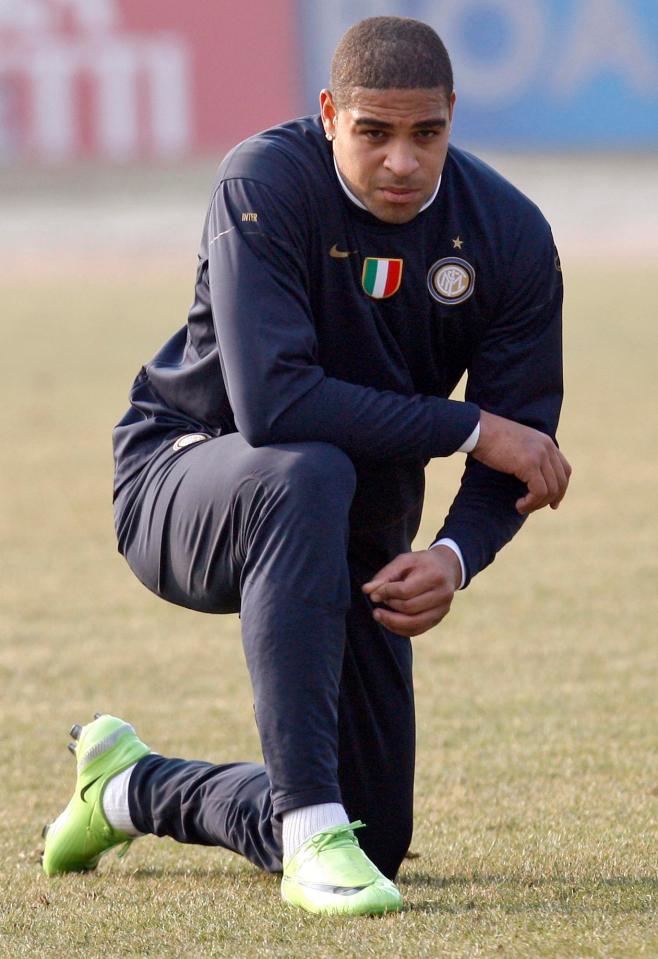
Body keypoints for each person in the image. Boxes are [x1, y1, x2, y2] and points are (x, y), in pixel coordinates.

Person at [41, 16, 571, 916]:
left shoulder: (509, 237)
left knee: (378, 835)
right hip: (182, 473)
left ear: (452, 116)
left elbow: (523, 449)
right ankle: (309, 832)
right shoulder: (265, 181)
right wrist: (469, 426)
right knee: (307, 468)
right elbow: (274, 404)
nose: (401, 160)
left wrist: (452, 557)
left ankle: (133, 788)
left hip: (355, 514)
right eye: (373, 132)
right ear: (329, 115)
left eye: (425, 134)